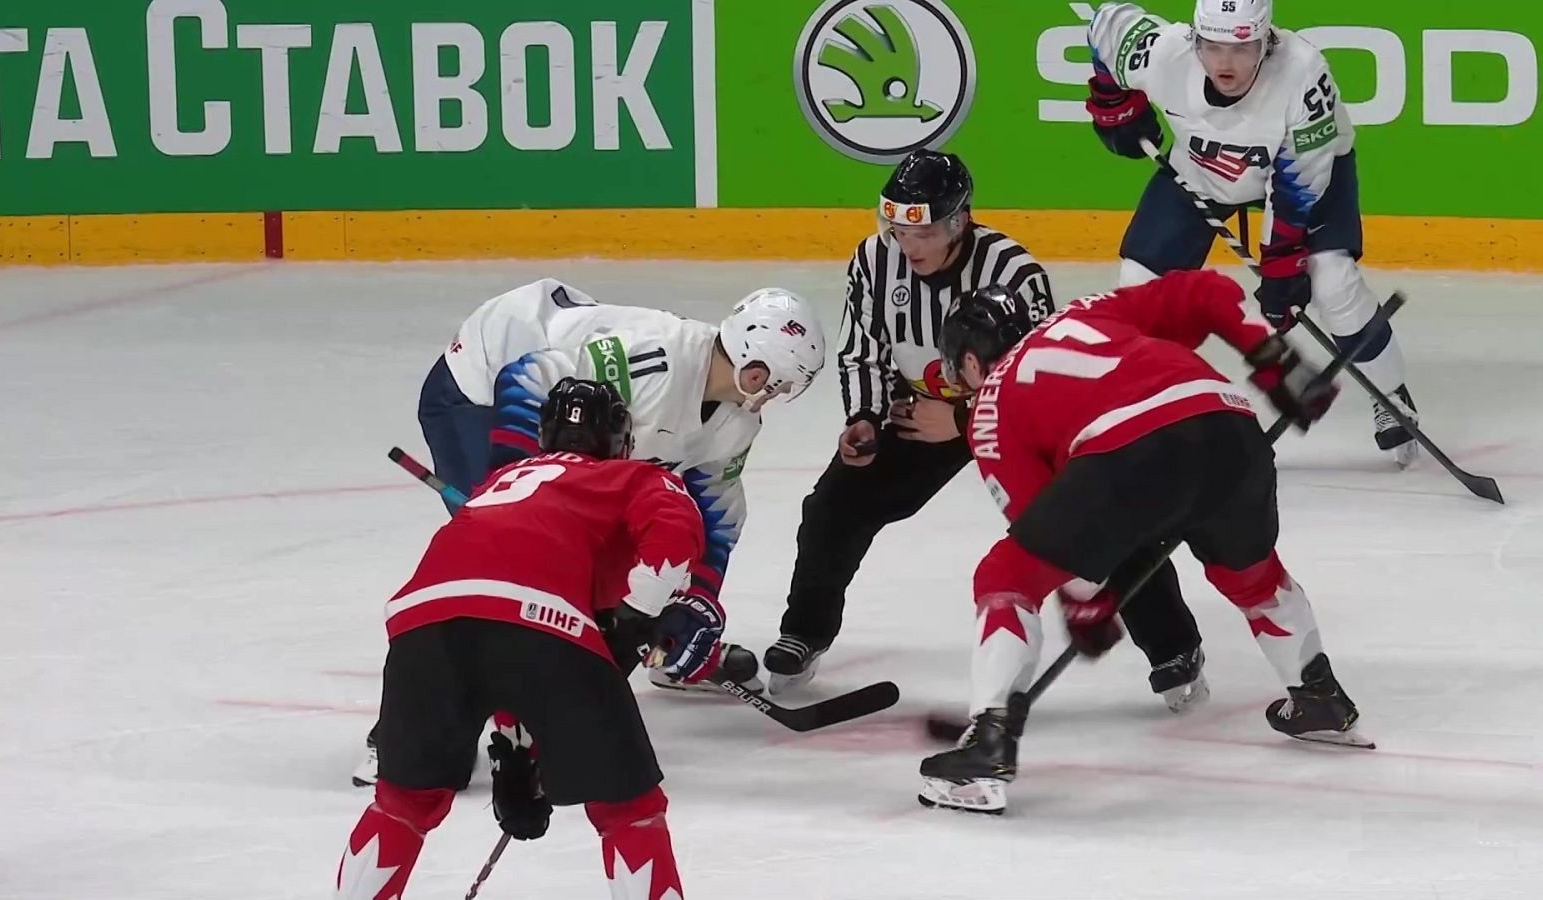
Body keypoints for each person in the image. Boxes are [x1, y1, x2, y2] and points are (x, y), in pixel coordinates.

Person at [765, 149, 1210, 713]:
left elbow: (1036, 374)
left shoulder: (1013, 273)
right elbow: (863, 351)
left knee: (1096, 512)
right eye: (898, 229)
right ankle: (805, 631)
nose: (909, 245)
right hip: (917, 413)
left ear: (958, 221)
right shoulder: (874, 261)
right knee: (834, 505)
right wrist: (865, 418)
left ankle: (1174, 646)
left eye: (922, 232)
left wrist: (957, 420)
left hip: (1019, 418)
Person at [917, 273, 1373, 815]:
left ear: (971, 362)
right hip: (1230, 427)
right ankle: (1320, 698)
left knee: (1007, 575)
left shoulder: (990, 401)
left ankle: (987, 743)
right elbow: (1205, 293)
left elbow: (1042, 528)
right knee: (1252, 575)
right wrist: (1275, 360)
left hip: (1129, 451)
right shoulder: (1089, 310)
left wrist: (1086, 603)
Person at [356, 281, 826, 785]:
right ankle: (403, 735)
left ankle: (651, 655)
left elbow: (714, 515)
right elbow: (526, 378)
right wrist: (515, 492)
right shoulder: (654, 364)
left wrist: (695, 604)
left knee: (615, 550)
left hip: (575, 424)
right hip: (481, 383)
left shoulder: (735, 422)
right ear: (753, 368)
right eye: (775, 384)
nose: (774, 397)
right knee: (506, 571)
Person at [335, 378, 717, 900]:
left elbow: (498, 641)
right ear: (619, 442)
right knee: (629, 809)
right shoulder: (633, 476)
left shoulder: (501, 482)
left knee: (401, 802)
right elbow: (674, 531)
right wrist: (641, 611)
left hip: (422, 622)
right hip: (543, 624)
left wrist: (516, 753)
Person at [1085, 0, 1420, 466]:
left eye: (1242, 48)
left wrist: (1283, 268)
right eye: (1213, 46)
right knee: (1141, 288)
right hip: (1203, 171)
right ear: (1195, 38)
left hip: (1306, 177)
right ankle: (1150, 414)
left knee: (1334, 283)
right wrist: (1112, 102)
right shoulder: (1164, 54)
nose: (1225, 63)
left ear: (1267, 41)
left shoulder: (1303, 76)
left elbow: (1299, 187)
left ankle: (1392, 396)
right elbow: (1106, 24)